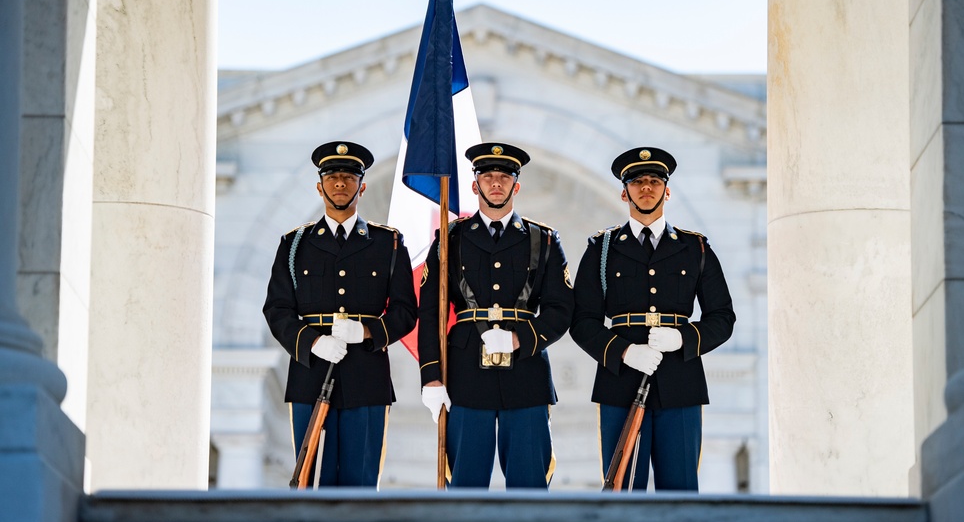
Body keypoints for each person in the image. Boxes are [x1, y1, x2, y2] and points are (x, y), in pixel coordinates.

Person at [570, 146, 735, 491]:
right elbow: (582, 321)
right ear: (624, 191)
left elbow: (722, 317)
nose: (647, 187)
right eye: (637, 181)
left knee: (681, 492)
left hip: (681, 383)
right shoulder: (601, 248)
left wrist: (683, 338)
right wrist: (625, 352)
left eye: (655, 180)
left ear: (667, 190)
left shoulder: (696, 248)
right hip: (621, 382)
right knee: (624, 490)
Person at [417, 142, 574, 489]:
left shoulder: (543, 239)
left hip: (526, 376)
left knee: (530, 487)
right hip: (465, 377)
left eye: (505, 176)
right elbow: (430, 312)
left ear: (516, 186)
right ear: (475, 185)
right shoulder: (450, 238)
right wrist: (431, 376)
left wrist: (520, 338)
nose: (496, 183)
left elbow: (561, 309)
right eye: (488, 176)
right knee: (466, 486)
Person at [263, 140, 417, 487]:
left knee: (360, 484)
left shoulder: (388, 243)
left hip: (367, 378)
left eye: (349, 177)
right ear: (320, 187)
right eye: (332, 177)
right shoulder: (295, 244)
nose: (340, 184)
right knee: (310, 482)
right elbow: (277, 308)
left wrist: (365, 333)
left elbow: (406, 311)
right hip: (310, 374)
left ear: (362, 186)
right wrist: (312, 342)